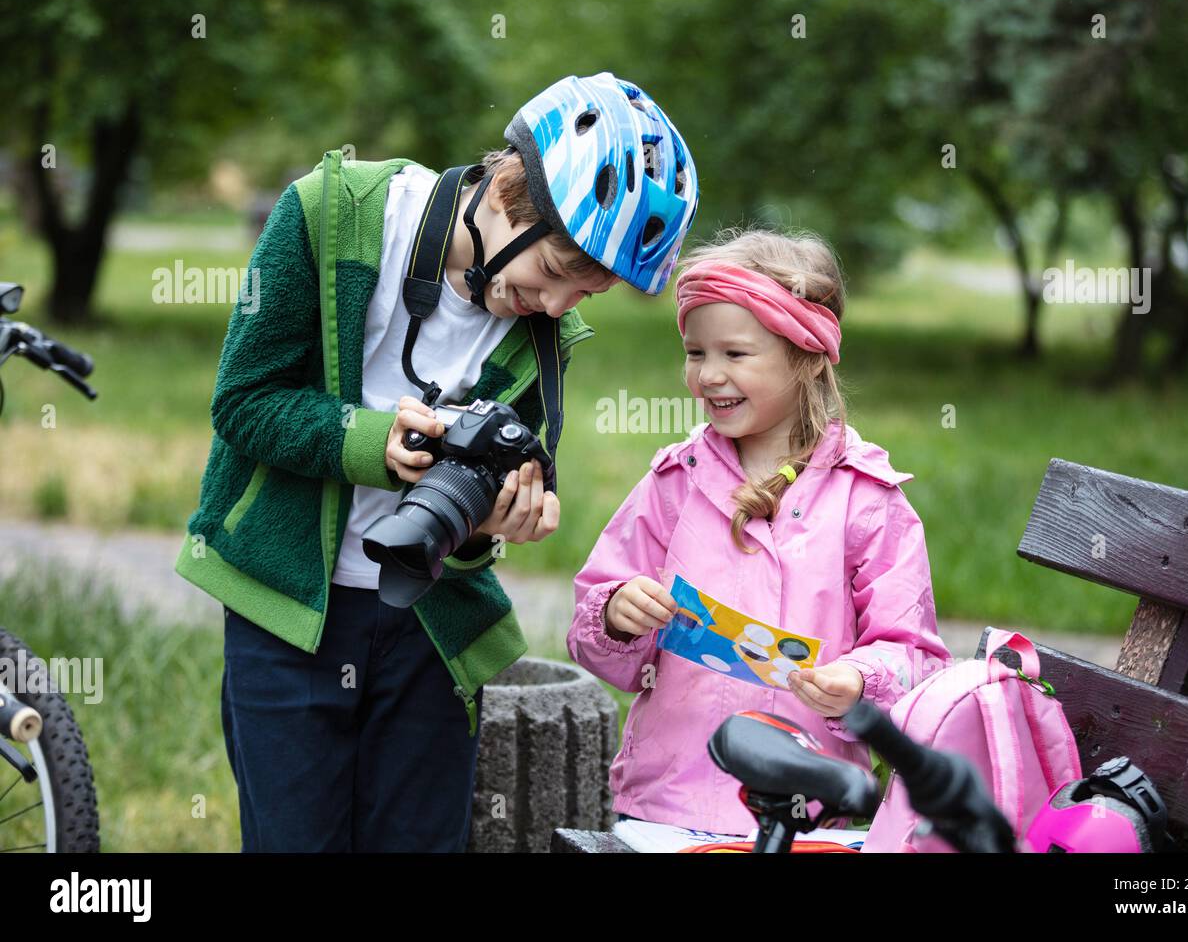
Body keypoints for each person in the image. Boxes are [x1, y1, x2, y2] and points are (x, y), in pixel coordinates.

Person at [175, 72, 699, 851]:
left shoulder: (542, 334)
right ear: (507, 193)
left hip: (426, 629)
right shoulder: (334, 215)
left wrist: (493, 525)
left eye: (585, 295)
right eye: (556, 273)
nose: (557, 309)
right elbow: (243, 402)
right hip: (287, 614)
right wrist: (367, 441)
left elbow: (485, 503)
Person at [568, 227, 951, 835]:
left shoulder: (868, 502)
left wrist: (857, 680)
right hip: (669, 804)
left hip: (812, 812)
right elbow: (598, 634)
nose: (708, 375)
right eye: (696, 353)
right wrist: (617, 612)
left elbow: (916, 658)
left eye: (734, 354)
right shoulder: (676, 483)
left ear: (804, 354)